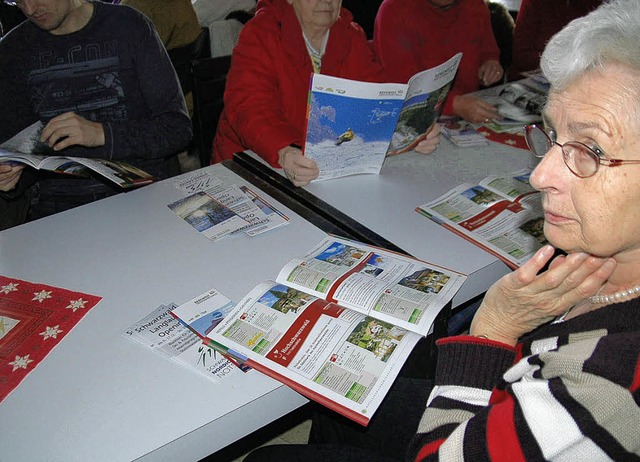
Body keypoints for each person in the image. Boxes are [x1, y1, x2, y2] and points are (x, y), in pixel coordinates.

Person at [244, 0, 640, 459]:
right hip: (507, 388)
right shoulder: (603, 263)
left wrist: (492, 328)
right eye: (552, 135)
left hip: (479, 417)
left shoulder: (605, 385)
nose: (539, 175)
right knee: (345, 399)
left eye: (590, 148)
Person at [0, 0, 192, 225]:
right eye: (18, 1)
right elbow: (19, 155)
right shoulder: (13, 50)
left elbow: (178, 128)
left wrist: (102, 134)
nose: (30, 9)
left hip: (140, 193)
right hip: (59, 206)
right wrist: (10, 178)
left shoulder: (129, 26)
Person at [211, 0, 441, 187]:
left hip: (322, 166)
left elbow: (375, 99)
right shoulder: (261, 33)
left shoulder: (350, 35)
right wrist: (282, 151)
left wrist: (409, 131)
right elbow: (249, 106)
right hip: (251, 164)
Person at [373, 0, 504, 124]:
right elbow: (403, 88)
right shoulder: (394, 10)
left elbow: (488, 50)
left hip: (471, 108)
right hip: (417, 117)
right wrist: (455, 104)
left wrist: (491, 62)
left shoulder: (475, 5)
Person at [509, 0, 603, 79]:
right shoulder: (535, 3)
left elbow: (601, 54)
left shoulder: (597, 5)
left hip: (578, 82)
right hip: (530, 81)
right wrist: (562, 64)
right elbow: (521, 56)